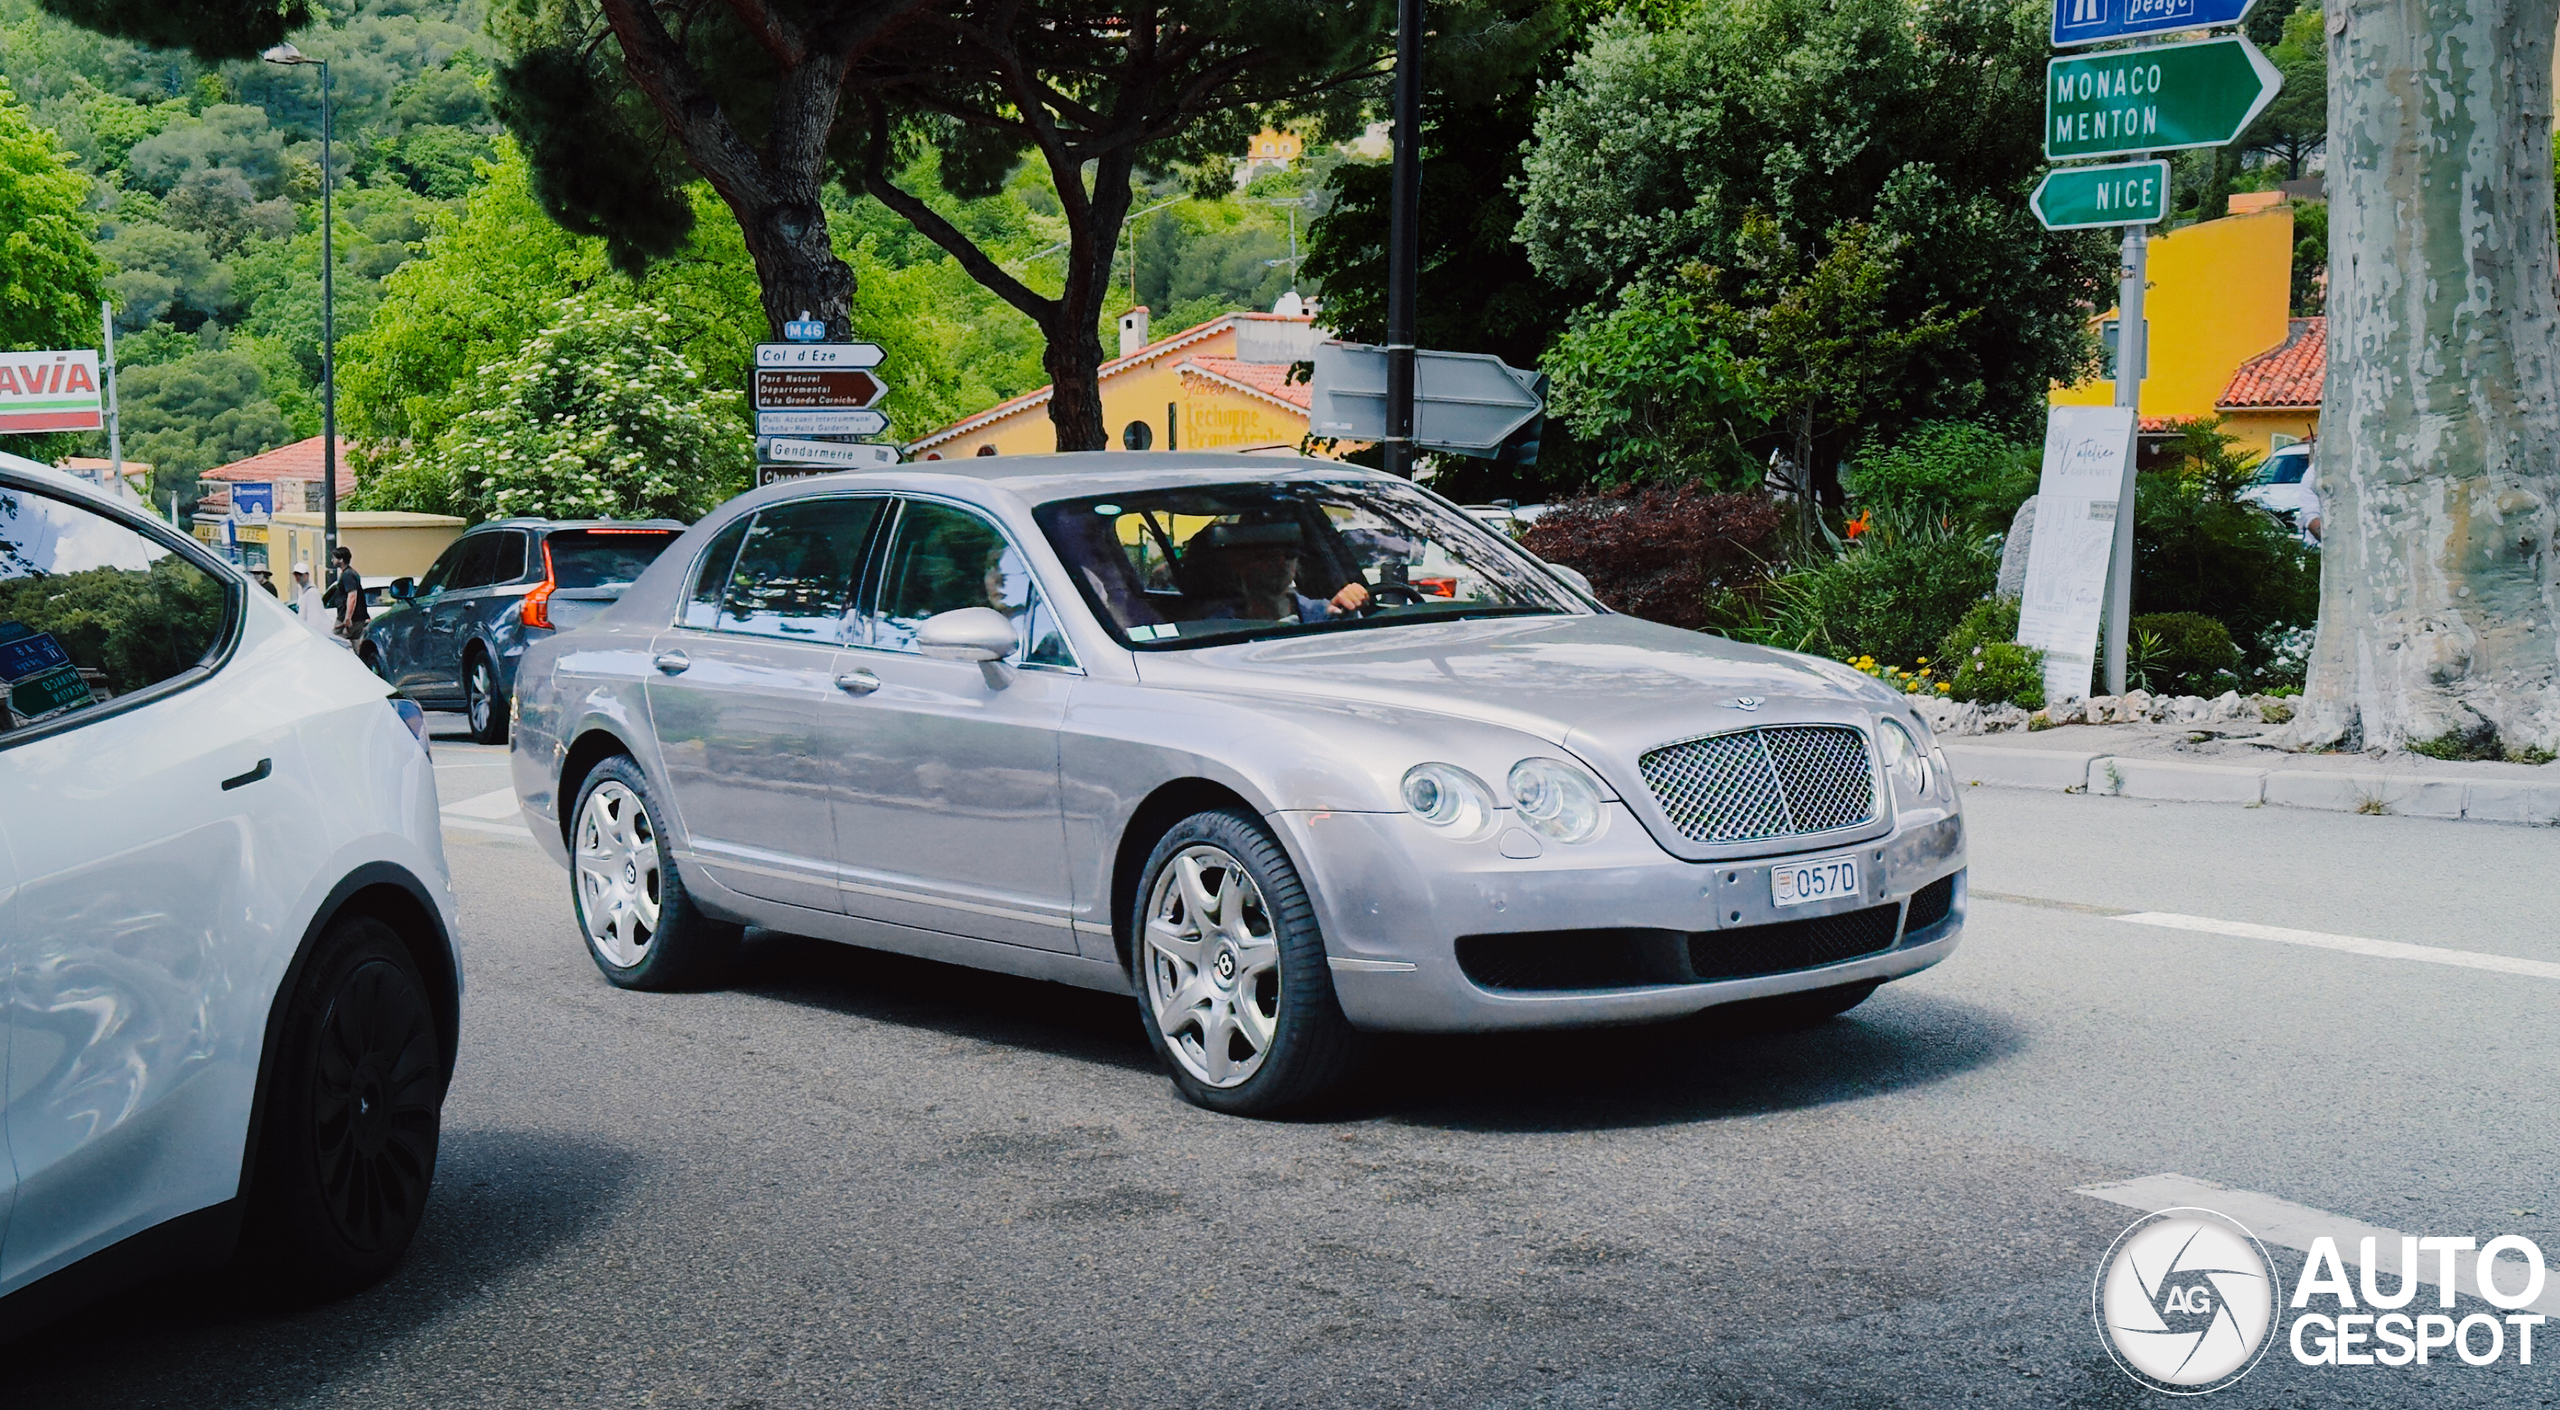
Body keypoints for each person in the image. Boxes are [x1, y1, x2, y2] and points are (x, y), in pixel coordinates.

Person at [1182, 521, 1369, 623]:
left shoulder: (1320, 612)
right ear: (1239, 563)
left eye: (1289, 554)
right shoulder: (1218, 625)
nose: (1281, 564)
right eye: (1265, 556)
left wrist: (1348, 605)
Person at [328, 545, 369, 644]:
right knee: (356, 644)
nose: (332, 560)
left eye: (334, 557)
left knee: (335, 643)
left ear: (341, 560)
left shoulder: (348, 575)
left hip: (350, 619)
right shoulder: (349, 573)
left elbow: (352, 596)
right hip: (356, 618)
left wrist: (347, 618)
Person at [289, 561, 334, 638]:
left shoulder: (311, 592)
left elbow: (314, 618)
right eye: (296, 575)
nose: (298, 577)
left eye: (300, 574)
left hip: (313, 634)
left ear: (307, 575)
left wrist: (310, 634)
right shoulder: (302, 591)